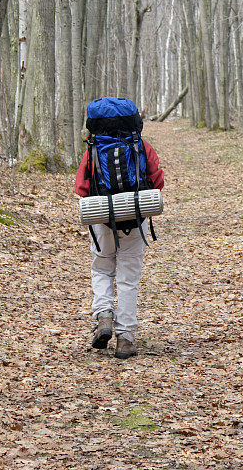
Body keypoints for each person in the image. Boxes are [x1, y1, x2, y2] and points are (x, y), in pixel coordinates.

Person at [75, 97, 164, 359]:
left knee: (102, 269)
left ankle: (104, 315)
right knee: (128, 279)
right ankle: (125, 338)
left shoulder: (92, 149)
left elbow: (82, 187)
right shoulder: (142, 147)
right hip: (136, 219)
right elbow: (157, 182)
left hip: (102, 219)